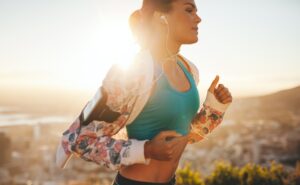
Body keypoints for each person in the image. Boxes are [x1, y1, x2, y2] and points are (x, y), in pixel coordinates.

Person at [55, 0, 232, 185]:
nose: (199, 18)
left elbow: (184, 136)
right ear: (161, 17)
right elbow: (79, 140)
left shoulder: (189, 70)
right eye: (189, 10)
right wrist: (146, 150)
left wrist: (214, 107)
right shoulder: (135, 72)